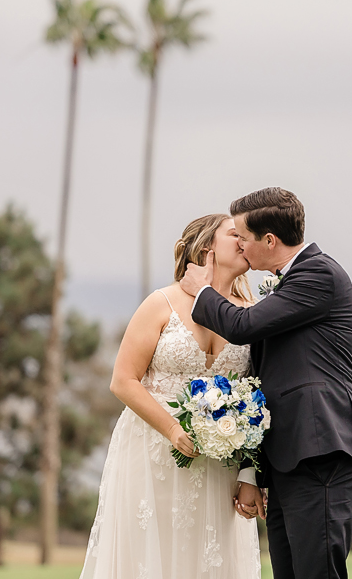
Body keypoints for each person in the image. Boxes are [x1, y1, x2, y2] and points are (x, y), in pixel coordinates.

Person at [180, 187, 352, 579]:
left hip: (320, 450)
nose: (240, 245)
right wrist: (253, 472)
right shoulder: (286, 285)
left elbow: (242, 326)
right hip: (290, 457)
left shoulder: (318, 274)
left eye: (243, 237)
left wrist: (202, 291)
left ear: (269, 240)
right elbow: (263, 382)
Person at [80, 214, 261, 579]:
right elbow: (123, 380)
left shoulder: (251, 313)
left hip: (218, 465)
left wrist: (249, 474)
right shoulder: (161, 303)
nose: (245, 240)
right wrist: (173, 430)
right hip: (153, 454)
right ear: (208, 248)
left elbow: (258, 397)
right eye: (235, 234)